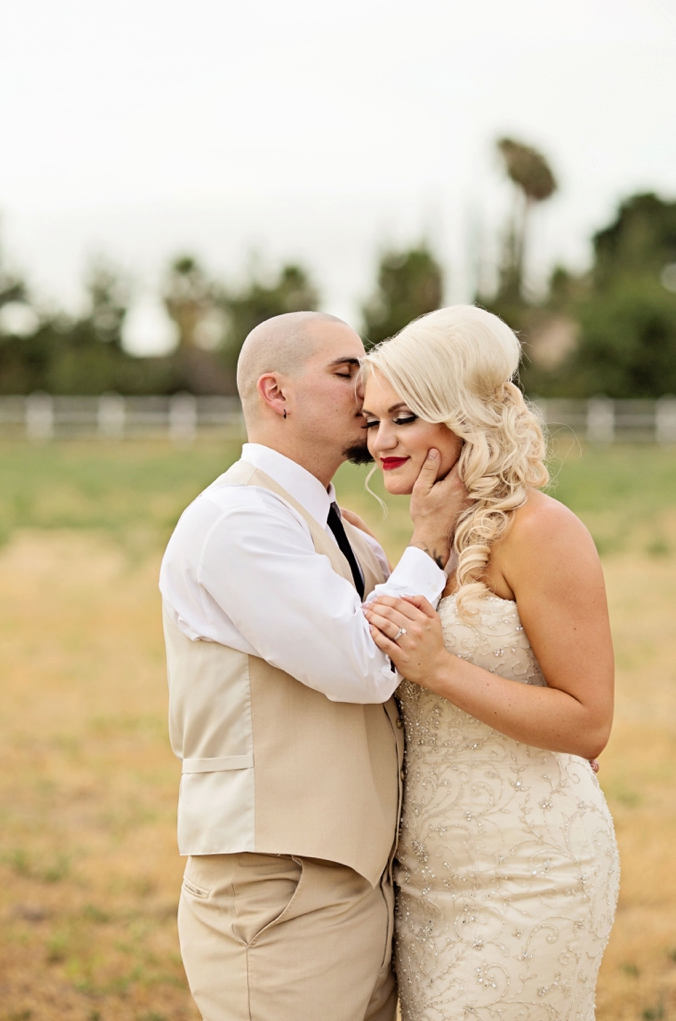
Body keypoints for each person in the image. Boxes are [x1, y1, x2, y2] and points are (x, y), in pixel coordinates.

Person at [159, 310, 467, 1021]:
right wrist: (426, 539)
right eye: (345, 370)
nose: (368, 390)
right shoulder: (240, 522)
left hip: (354, 883)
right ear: (276, 393)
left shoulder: (331, 526)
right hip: (279, 893)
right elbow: (364, 664)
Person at [361, 304, 619, 1021]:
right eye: (372, 419)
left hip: (529, 878)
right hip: (426, 883)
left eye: (404, 417)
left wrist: (441, 669)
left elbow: (589, 721)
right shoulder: (426, 539)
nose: (382, 439)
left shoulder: (542, 532)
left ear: (460, 415)